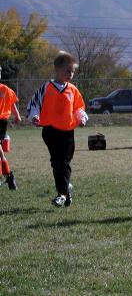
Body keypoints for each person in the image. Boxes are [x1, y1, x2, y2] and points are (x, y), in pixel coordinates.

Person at [26, 51, 88, 207]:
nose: (70, 74)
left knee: (64, 162)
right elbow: (34, 104)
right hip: (50, 131)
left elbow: (78, 107)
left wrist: (82, 118)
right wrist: (34, 116)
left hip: (67, 132)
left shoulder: (73, 90)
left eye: (72, 71)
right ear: (57, 70)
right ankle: (63, 193)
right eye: (67, 71)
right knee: (57, 162)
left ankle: (65, 191)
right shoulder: (46, 87)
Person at [0, 66, 22, 190]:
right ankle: (8, 176)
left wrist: (17, 115)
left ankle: (8, 175)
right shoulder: (5, 89)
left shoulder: (5, 89)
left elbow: (12, 102)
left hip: (1, 121)